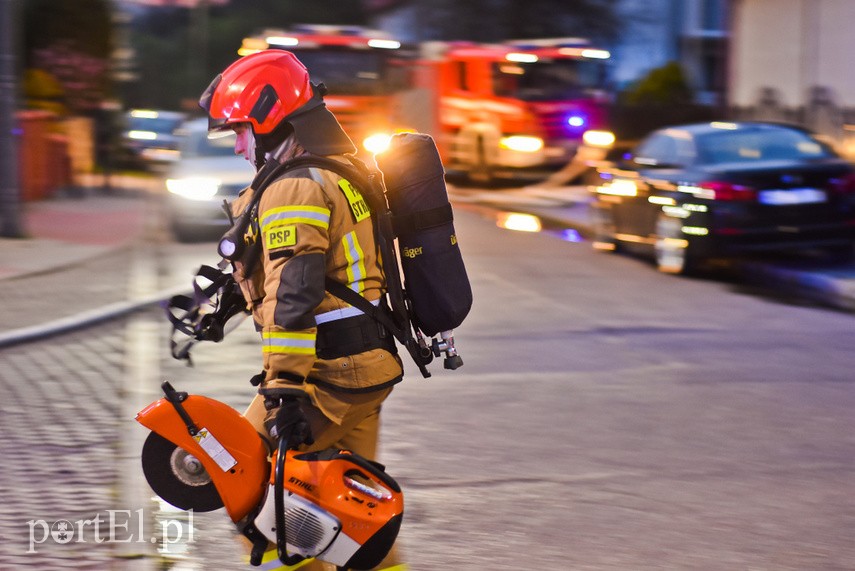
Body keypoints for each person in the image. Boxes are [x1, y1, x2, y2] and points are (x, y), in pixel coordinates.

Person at [199, 49, 407, 571]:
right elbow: (333, 271)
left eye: (240, 131)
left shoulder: (293, 186)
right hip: (369, 367)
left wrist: (285, 391)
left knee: (257, 506)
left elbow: (294, 300)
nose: (239, 145)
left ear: (270, 118)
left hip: (324, 379)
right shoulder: (339, 169)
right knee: (354, 520)